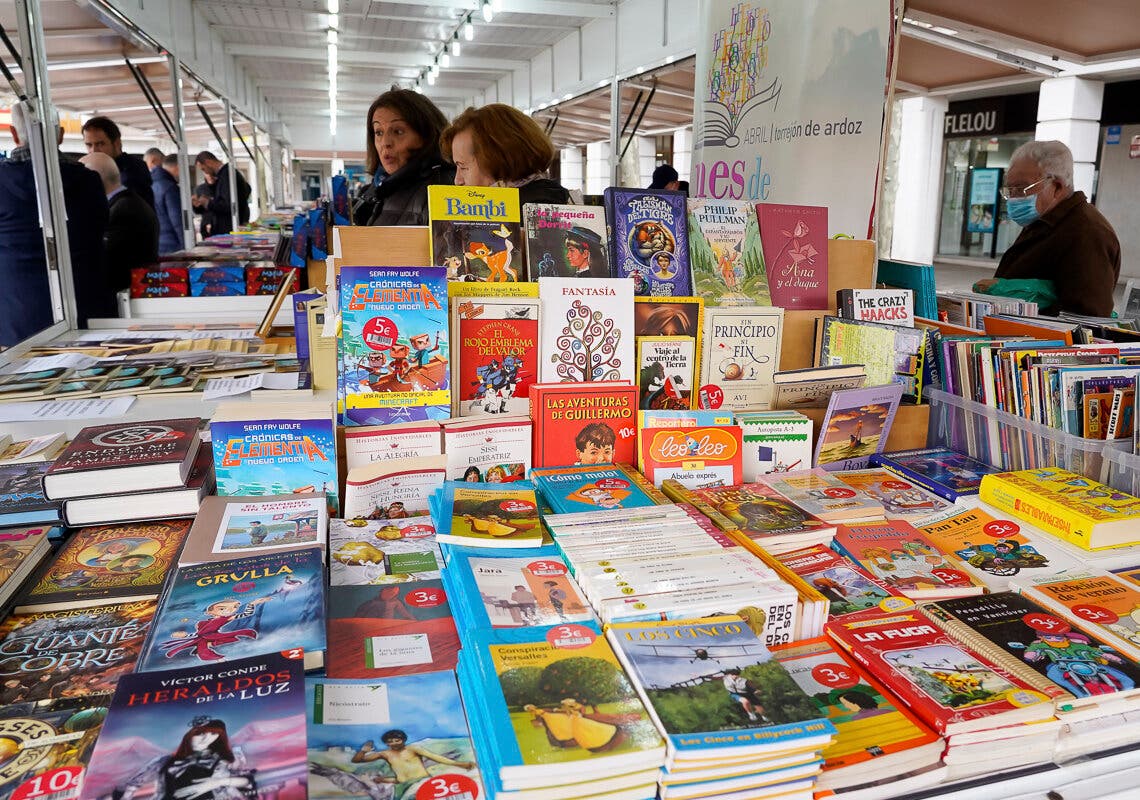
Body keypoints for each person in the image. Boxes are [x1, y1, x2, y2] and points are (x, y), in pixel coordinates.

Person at [0, 104, 112, 345]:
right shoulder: (89, 182)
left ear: (14, 133)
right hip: (85, 307)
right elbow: (101, 229)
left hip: (16, 316)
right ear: (60, 134)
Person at [974, 140, 1120, 317]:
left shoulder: (1086, 232)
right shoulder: (1044, 221)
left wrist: (1032, 300)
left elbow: (1088, 316)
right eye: (1009, 190)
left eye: (1021, 189)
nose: (1012, 198)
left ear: (1057, 187)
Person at [354, 88, 454, 226]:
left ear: (426, 135)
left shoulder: (442, 188)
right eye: (378, 132)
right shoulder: (373, 190)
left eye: (398, 131)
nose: (385, 143)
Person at [441, 103, 571, 206]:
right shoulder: (548, 199)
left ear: (498, 159)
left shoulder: (528, 213)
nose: (457, 180)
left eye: (463, 167)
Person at [117, 717, 255, 800]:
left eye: (213, 734)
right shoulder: (164, 761)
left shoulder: (221, 760)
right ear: (190, 735)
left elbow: (246, 781)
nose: (206, 738)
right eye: (201, 734)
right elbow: (133, 784)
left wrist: (216, 782)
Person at [81, 152, 159, 290]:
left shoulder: (122, 210)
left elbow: (105, 257)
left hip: (126, 293)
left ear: (95, 180)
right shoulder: (127, 202)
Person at [352, 729, 473, 794]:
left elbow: (436, 757)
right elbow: (357, 760)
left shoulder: (413, 749)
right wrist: (363, 751)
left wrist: (460, 764)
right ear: (387, 743)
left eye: (396, 740)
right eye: (390, 741)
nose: (394, 743)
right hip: (402, 787)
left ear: (403, 740)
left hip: (422, 782)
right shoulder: (385, 754)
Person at [81, 115, 154, 208]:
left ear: (117, 143)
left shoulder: (132, 172)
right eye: (89, 145)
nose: (94, 150)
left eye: (100, 144)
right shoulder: (95, 170)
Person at [193, 151, 251, 235]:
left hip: (228, 229)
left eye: (203, 169)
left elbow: (228, 205)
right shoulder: (224, 175)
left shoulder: (227, 175)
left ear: (208, 162)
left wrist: (208, 202)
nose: (205, 173)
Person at [153, 153, 184, 254]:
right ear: (179, 167)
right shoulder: (170, 187)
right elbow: (178, 220)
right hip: (172, 246)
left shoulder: (151, 183)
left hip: (157, 244)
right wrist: (186, 246)